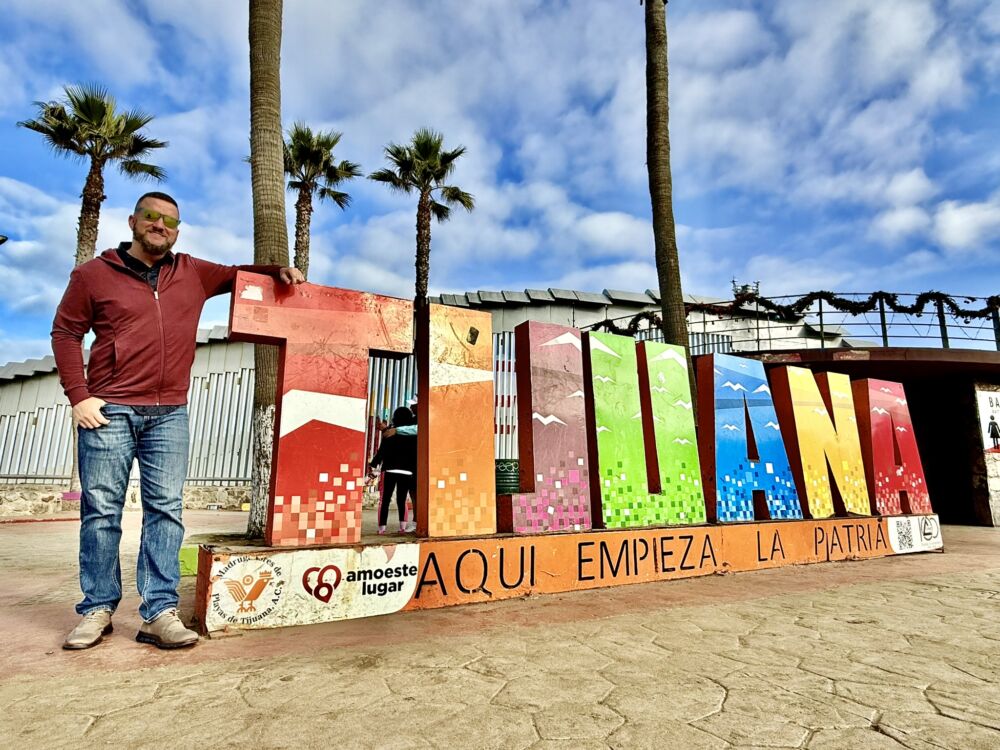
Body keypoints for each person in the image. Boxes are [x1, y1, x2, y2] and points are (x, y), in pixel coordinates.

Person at [52, 191, 305, 650]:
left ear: (177, 229)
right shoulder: (92, 275)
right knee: (102, 513)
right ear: (133, 221)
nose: (160, 226)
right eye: (150, 216)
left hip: (170, 412)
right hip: (108, 409)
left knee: (165, 511)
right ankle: (97, 609)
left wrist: (278, 271)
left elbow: (237, 274)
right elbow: (66, 332)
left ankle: (158, 612)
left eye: (170, 221)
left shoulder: (192, 272)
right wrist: (80, 396)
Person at [368, 406, 417, 534]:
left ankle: (381, 529)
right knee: (402, 500)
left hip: (390, 470)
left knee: (385, 500)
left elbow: (382, 451)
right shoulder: (412, 434)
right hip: (407, 471)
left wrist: (373, 465)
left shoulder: (390, 432)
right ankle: (402, 528)